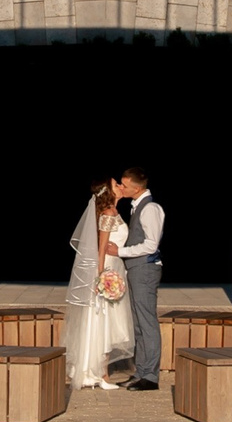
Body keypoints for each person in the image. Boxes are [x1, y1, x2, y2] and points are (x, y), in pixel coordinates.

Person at [61, 180, 134, 389]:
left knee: (108, 320)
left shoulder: (114, 212)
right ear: (109, 192)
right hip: (108, 268)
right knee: (103, 319)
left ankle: (100, 371)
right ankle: (99, 374)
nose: (121, 185)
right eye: (116, 184)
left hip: (116, 266)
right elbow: (101, 247)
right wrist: (101, 275)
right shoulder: (109, 213)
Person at [107, 167, 164, 390]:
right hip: (136, 270)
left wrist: (119, 252)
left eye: (125, 185)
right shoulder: (137, 207)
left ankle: (150, 376)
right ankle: (141, 372)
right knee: (139, 323)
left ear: (137, 188)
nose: (122, 187)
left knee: (147, 322)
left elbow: (151, 244)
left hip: (145, 270)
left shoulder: (150, 208)